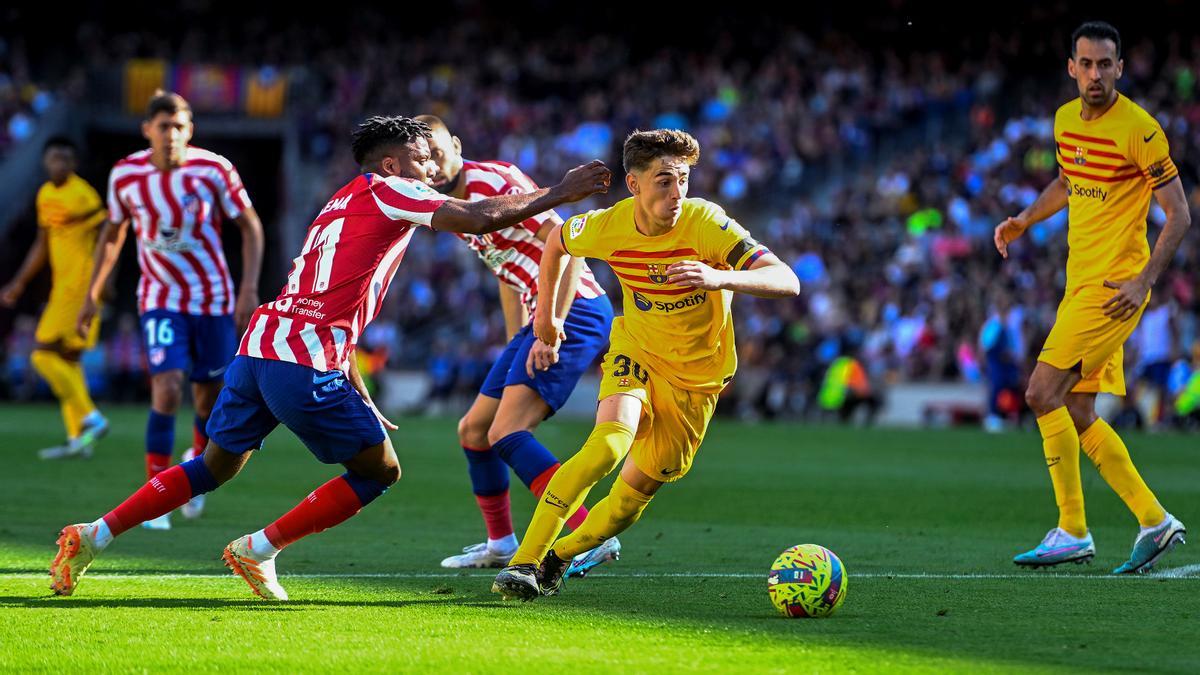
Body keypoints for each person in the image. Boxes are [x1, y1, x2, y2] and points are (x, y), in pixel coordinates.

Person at [49, 115, 611, 601]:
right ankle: (259, 548)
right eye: (420, 160)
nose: (430, 171)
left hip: (261, 348)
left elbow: (325, 290)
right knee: (380, 470)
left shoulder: (339, 201)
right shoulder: (395, 189)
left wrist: (352, 376)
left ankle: (94, 534)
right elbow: (479, 216)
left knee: (213, 466)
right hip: (304, 360)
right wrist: (560, 191)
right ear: (392, 164)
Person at [493, 129, 799, 601]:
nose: (677, 194)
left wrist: (717, 276)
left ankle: (562, 555)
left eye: (683, 180)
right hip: (636, 351)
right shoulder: (608, 225)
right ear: (634, 185)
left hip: (697, 379)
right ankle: (524, 562)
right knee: (607, 446)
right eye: (664, 181)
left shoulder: (705, 223)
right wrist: (545, 322)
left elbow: (787, 279)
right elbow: (556, 241)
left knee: (627, 505)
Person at [996, 22, 1190, 573]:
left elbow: (1179, 215)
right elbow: (1067, 179)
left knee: (1040, 392)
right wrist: (1025, 221)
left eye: (1106, 64)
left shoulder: (1140, 130)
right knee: (1078, 409)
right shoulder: (1063, 120)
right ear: (1071, 67)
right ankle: (1154, 520)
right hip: (1078, 282)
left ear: (1120, 69)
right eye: (1087, 64)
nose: (1096, 74)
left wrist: (1144, 279)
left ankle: (1072, 529)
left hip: (1114, 289)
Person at [415, 115, 618, 574]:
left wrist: (551, 322)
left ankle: (588, 536)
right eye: (424, 158)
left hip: (576, 310)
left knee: (506, 433)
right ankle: (502, 543)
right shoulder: (450, 206)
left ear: (458, 145)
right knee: (473, 432)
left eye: (439, 152)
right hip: (536, 318)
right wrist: (517, 340)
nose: (433, 164)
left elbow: (567, 245)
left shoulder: (495, 180)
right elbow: (507, 274)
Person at [79, 91, 265, 529]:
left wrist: (249, 287)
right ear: (148, 129)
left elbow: (250, 225)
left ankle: (194, 472)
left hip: (214, 299)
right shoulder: (126, 174)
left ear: (190, 130)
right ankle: (155, 493)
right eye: (163, 126)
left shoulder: (214, 169)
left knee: (208, 399)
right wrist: (93, 291)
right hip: (160, 300)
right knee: (165, 390)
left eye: (179, 126)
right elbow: (112, 233)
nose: (171, 135)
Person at [0, 137, 109, 458]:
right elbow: (42, 243)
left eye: (64, 159)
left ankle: (92, 417)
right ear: (45, 162)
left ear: (73, 164)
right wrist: (19, 282)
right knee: (68, 361)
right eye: (53, 159)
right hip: (61, 286)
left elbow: (108, 235)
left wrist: (105, 280)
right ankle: (78, 438)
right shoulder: (45, 195)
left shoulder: (84, 195)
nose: (58, 164)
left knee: (40, 354)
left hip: (81, 287)